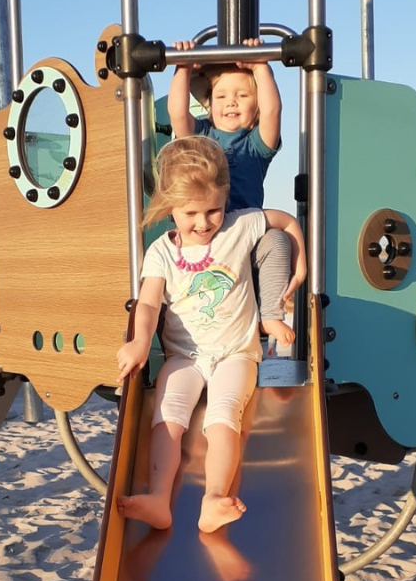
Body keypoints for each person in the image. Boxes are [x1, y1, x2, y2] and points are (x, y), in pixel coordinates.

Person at [116, 136, 306, 533]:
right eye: (191, 214)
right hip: (184, 356)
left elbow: (285, 222)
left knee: (223, 415)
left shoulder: (237, 228)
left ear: (224, 199)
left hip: (237, 352)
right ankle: (157, 499)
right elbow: (149, 303)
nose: (203, 223)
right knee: (167, 416)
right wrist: (137, 340)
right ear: (170, 208)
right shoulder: (162, 254)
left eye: (213, 210)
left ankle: (214, 497)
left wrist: (300, 265)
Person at [168, 38, 293, 353]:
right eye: (222, 95)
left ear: (255, 106)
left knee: (277, 241)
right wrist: (182, 67)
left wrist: (260, 66)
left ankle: (271, 316)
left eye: (242, 95)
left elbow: (274, 109)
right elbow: (177, 112)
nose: (231, 102)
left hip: (245, 237)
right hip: (207, 234)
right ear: (209, 104)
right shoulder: (202, 138)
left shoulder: (257, 145)